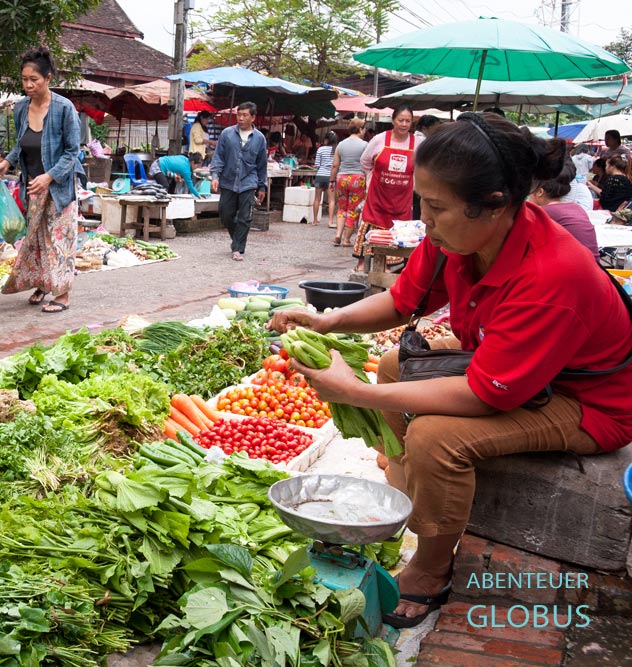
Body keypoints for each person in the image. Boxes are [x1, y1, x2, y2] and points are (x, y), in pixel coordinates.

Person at [270, 111, 632, 629]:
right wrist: (328, 321)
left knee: (437, 438)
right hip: (525, 375)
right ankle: (401, 496)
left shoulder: (552, 274)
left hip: (586, 404)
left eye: (437, 208)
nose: (426, 220)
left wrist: (354, 393)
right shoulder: (457, 243)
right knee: (396, 362)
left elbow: (485, 397)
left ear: (495, 205)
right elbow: (401, 302)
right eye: (423, 202)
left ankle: (432, 568)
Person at [0, 47, 83, 314]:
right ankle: (44, 284)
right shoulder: (21, 108)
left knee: (59, 239)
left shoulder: (64, 108)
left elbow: (73, 151)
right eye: (24, 79)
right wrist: (7, 161)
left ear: (48, 78)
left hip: (60, 187)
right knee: (36, 239)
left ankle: (63, 294)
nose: (29, 85)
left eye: (34, 79)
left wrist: (49, 176)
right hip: (33, 186)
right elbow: (21, 144)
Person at [354, 104, 417, 272]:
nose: (404, 124)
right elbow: (365, 162)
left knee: (397, 233)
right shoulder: (380, 139)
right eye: (401, 120)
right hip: (377, 195)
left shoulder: (417, 142)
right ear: (393, 121)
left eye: (408, 121)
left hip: (402, 199)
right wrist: (371, 179)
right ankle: (362, 266)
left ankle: (390, 269)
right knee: (370, 226)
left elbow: (422, 168)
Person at [210, 102, 268, 262]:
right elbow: (218, 158)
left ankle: (238, 248)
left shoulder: (259, 139)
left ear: (253, 117)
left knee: (245, 217)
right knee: (226, 214)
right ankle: (237, 239)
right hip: (228, 181)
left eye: (245, 115)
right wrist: (215, 176)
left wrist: (262, 186)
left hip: (248, 183)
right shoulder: (227, 134)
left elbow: (262, 164)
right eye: (238, 115)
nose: (241, 118)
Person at [528, 151, 599, 258]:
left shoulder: (544, 212)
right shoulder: (575, 208)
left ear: (539, 192)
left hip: (575, 271)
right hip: (594, 268)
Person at [330, 118, 368, 247]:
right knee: (353, 209)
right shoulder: (365, 145)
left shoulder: (340, 144)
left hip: (341, 178)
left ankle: (338, 235)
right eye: (364, 128)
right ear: (360, 129)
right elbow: (368, 164)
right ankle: (346, 239)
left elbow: (335, 165)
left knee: (341, 208)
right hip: (358, 179)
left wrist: (331, 180)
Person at [312, 131, 337, 226]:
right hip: (331, 176)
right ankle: (330, 222)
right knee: (331, 200)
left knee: (317, 199)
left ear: (326, 140)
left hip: (320, 175)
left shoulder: (320, 149)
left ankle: (315, 221)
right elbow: (337, 164)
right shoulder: (336, 150)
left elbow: (317, 164)